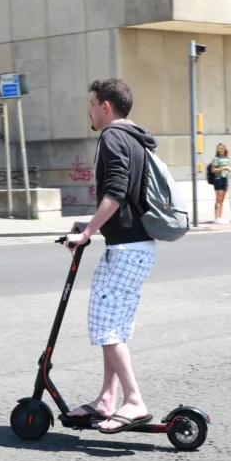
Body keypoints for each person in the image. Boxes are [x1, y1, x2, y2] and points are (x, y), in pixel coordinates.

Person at [63, 78, 158, 434]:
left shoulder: (112, 137)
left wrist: (87, 232)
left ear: (106, 106)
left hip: (126, 249)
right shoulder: (137, 140)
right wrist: (90, 225)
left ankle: (133, 400)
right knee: (112, 327)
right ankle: (106, 398)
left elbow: (116, 192)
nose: (88, 109)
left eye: (91, 103)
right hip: (138, 247)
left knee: (105, 327)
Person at [210, 143, 231, 224]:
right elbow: (213, 170)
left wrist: (229, 169)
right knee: (218, 199)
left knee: (222, 199)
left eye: (222, 148)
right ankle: (217, 217)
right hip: (218, 179)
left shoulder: (227, 158)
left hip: (225, 178)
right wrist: (223, 168)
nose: (221, 150)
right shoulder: (216, 159)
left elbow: (230, 166)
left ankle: (221, 216)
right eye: (219, 148)